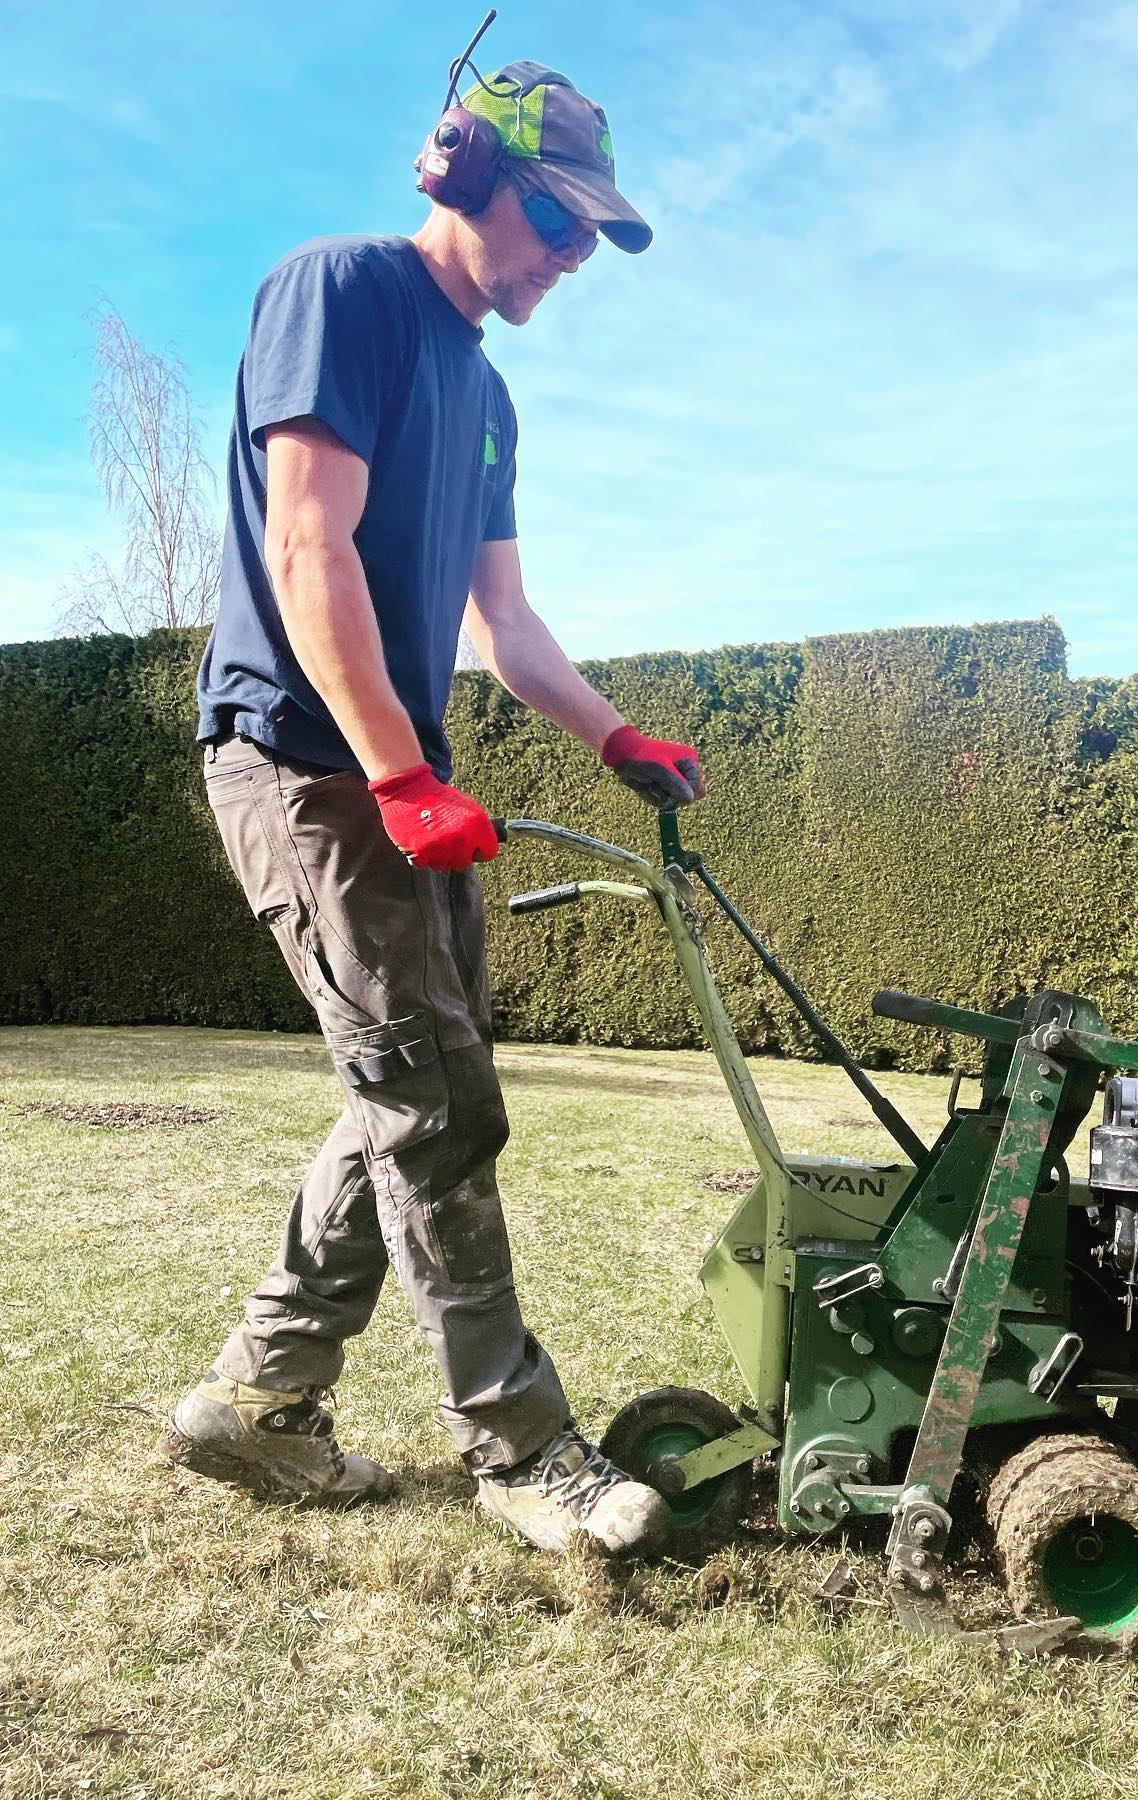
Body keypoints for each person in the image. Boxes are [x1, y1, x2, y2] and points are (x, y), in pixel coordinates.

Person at [162, 59, 705, 1557]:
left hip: (398, 781)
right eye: (560, 220)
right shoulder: (337, 292)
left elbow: (505, 630)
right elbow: (306, 546)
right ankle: (523, 1452)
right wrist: (400, 774)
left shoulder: (489, 395)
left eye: (594, 236)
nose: (574, 258)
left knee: (404, 1090)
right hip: (304, 765)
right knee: (438, 1104)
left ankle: (261, 1399)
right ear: (466, 175)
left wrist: (615, 736)